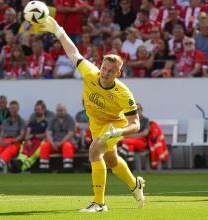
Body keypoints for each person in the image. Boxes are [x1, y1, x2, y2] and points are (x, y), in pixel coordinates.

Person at [40, 16, 145, 212]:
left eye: (110, 71)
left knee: (94, 151)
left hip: (114, 124)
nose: (104, 73)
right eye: (104, 68)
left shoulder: (123, 93)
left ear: (117, 74)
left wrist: (117, 132)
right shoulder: (91, 72)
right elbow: (73, 53)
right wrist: (59, 31)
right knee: (112, 161)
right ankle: (135, 184)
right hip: (96, 123)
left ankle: (99, 203)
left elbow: (136, 124)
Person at [10, 101, 48, 173]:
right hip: (30, 141)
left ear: (43, 110)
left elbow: (46, 134)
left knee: (33, 154)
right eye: (35, 110)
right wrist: (28, 140)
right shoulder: (32, 122)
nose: (36, 111)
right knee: (23, 150)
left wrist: (34, 136)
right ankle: (18, 162)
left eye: (38, 109)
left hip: (40, 142)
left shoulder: (47, 123)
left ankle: (20, 168)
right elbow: (27, 133)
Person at [39, 103, 75, 173]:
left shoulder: (70, 119)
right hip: (54, 143)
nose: (60, 112)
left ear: (65, 110)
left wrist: (61, 143)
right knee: (44, 146)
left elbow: (70, 134)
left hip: (66, 142)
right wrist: (52, 143)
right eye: (58, 110)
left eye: (61, 110)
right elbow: (48, 132)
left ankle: (68, 168)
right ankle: (44, 168)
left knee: (67, 146)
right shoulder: (52, 119)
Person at [119, 103, 149, 170]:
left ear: (141, 110)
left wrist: (132, 136)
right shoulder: (130, 120)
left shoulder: (145, 120)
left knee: (125, 142)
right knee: (130, 147)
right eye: (135, 109)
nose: (137, 111)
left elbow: (145, 133)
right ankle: (131, 166)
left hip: (141, 141)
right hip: (131, 141)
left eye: (138, 109)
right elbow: (125, 132)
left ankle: (121, 156)